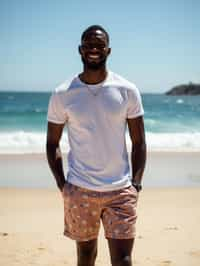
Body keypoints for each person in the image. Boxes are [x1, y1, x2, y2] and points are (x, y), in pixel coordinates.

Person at [46, 25, 146, 266]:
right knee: (86, 257)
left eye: (99, 45)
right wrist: (63, 184)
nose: (94, 49)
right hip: (80, 190)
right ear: (80, 50)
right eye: (88, 44)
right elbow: (52, 143)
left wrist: (136, 183)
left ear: (108, 50)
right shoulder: (63, 93)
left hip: (120, 191)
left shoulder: (127, 90)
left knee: (123, 260)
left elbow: (139, 141)